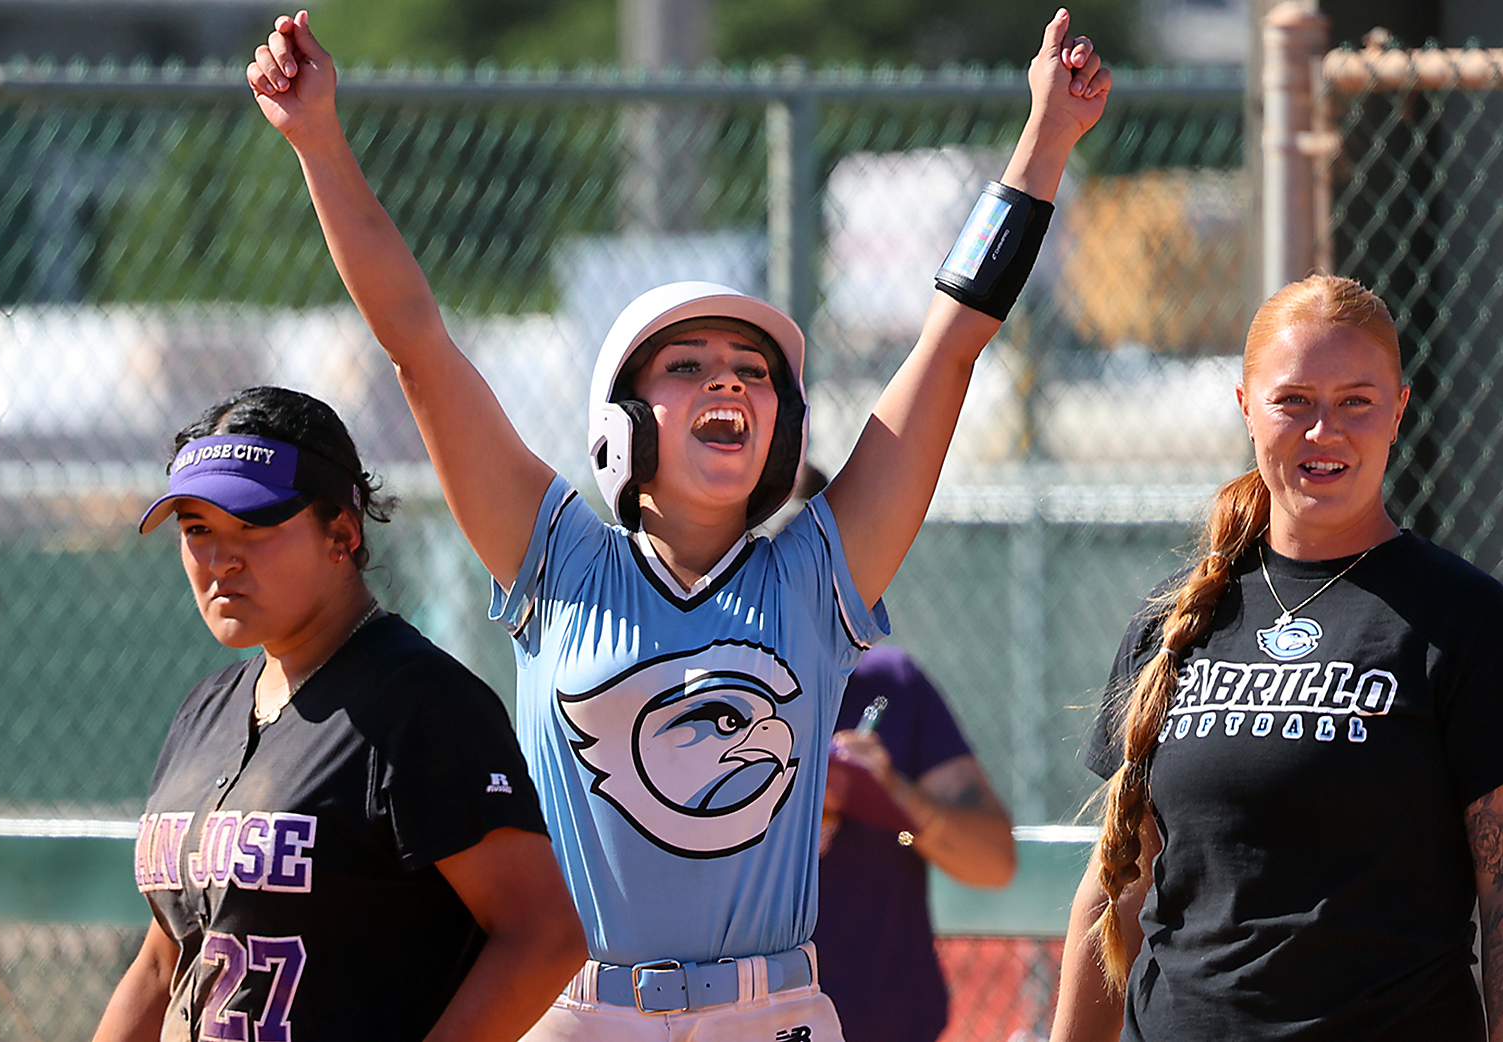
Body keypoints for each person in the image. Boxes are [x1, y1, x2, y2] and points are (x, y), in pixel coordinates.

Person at [246, 11, 1108, 1039]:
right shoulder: (556, 554)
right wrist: (320, 142)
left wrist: (1043, 142)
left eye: (752, 371)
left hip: (772, 1010)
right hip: (577, 1009)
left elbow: (953, 341)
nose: (728, 384)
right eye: (688, 365)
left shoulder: (815, 568)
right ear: (620, 423)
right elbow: (417, 345)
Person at [1051, 275, 1503, 1042]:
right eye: (1294, 400)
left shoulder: (1469, 624)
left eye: (1356, 401)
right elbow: (1118, 884)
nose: (1324, 431)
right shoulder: (1176, 618)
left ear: (1398, 411)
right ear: (1246, 409)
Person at [93, 386, 585, 1042]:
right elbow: (164, 964)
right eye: (197, 530)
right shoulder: (206, 710)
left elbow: (543, 936)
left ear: (342, 534)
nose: (219, 559)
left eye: (254, 525)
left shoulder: (421, 704)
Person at [816, 643, 1017, 1042]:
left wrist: (895, 797)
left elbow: (996, 862)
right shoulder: (683, 687)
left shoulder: (886, 683)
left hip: (887, 1024)